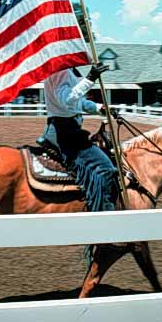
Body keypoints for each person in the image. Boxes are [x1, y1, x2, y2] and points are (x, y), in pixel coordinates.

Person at [40, 63, 118, 212]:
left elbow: (77, 102)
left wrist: (99, 108)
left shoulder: (65, 70)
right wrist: (90, 78)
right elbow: (68, 100)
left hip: (66, 129)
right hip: (65, 133)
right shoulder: (60, 70)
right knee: (105, 168)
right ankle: (103, 215)